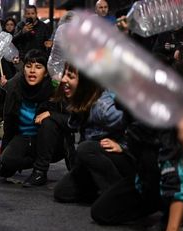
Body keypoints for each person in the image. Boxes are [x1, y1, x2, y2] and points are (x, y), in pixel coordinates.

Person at [52, 64, 134, 202]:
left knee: (86, 149)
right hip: (100, 159)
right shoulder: (81, 100)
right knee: (63, 191)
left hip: (125, 160)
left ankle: (121, 198)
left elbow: (139, 123)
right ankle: (101, 191)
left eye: (70, 76)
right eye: (64, 74)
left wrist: (123, 146)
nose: (64, 79)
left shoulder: (103, 107)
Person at [0, 49, 71, 186]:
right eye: (28, 66)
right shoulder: (14, 85)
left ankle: (40, 171)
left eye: (38, 67)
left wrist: (51, 114)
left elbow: (73, 121)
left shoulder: (55, 88)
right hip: (25, 138)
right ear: (23, 69)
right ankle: (35, 160)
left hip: (53, 143)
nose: (32, 70)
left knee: (48, 121)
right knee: (7, 161)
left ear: (45, 73)